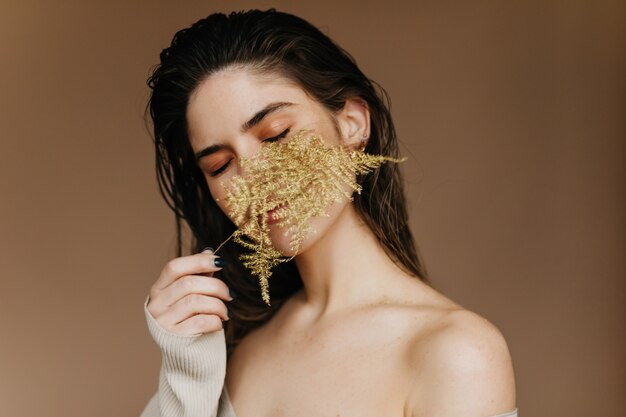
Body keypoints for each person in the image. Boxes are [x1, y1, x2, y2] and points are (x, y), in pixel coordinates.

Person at [140, 8, 517, 417]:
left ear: (353, 123)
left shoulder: (456, 354)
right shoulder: (228, 354)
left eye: (276, 134)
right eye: (220, 166)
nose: (255, 178)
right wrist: (187, 374)